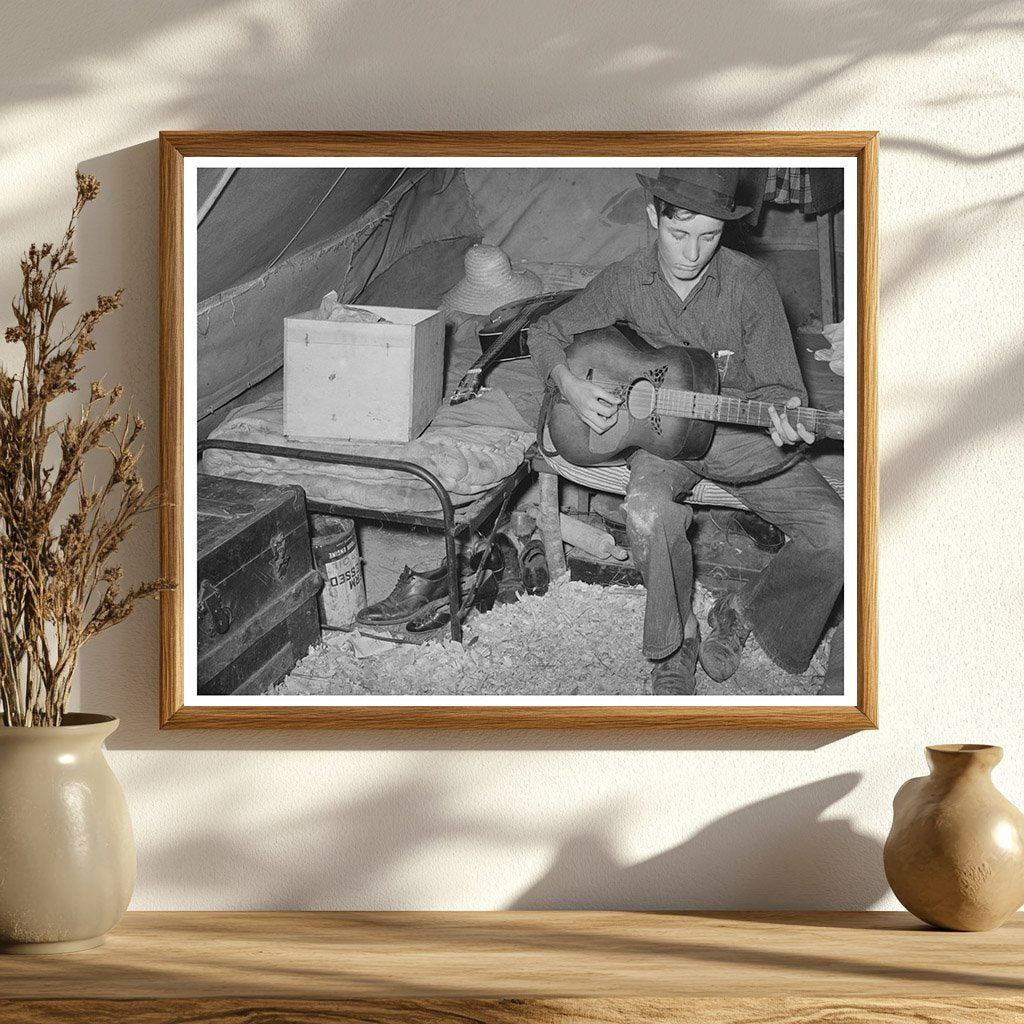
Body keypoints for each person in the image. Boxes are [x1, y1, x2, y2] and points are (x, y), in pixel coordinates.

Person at [527, 167, 843, 695]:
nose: (693, 253)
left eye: (709, 235)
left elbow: (779, 389)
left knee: (838, 533)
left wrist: (786, 419)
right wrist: (570, 385)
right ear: (654, 216)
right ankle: (678, 643)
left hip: (739, 439)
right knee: (648, 511)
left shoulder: (750, 284)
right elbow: (545, 332)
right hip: (661, 443)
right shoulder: (627, 279)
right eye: (679, 234)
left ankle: (746, 611)